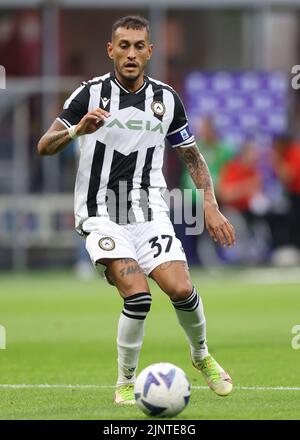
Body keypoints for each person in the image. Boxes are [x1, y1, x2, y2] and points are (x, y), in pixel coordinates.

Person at [37, 15, 236, 405]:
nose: (130, 53)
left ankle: (201, 355)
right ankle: (125, 382)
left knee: (181, 288)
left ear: (150, 51)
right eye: (123, 45)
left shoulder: (166, 99)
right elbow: (45, 145)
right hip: (99, 215)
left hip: (149, 214)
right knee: (138, 296)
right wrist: (78, 130)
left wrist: (209, 206)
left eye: (138, 46)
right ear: (110, 50)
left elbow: (192, 156)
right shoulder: (89, 95)